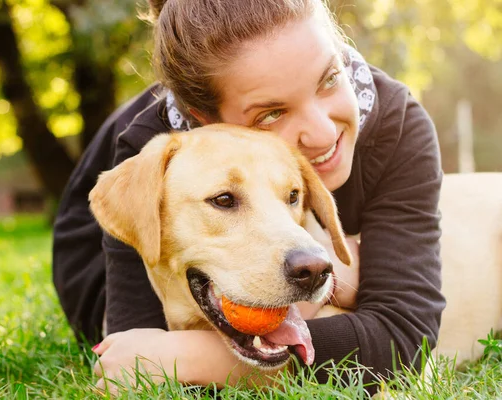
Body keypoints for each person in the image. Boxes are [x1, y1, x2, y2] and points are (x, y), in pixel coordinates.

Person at [52, 0, 445, 393]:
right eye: (272, 113)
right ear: (206, 120)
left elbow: (404, 338)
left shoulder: (399, 125)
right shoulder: (151, 152)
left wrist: (194, 357)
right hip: (96, 251)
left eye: (328, 79)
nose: (323, 134)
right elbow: (137, 360)